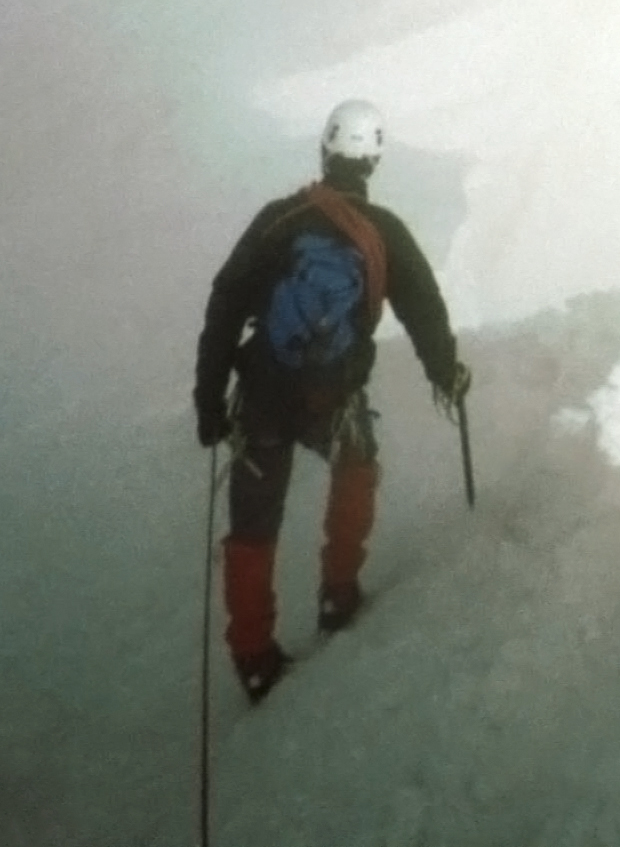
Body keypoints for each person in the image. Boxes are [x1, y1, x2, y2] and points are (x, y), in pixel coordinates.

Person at [193, 98, 471, 703]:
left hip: (263, 394)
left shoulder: (279, 220)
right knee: (357, 469)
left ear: (324, 151)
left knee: (253, 524)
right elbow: (424, 309)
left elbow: (226, 302)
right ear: (374, 161)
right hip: (332, 396)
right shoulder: (384, 232)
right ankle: (338, 593)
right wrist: (446, 373)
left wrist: (208, 400)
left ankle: (254, 656)